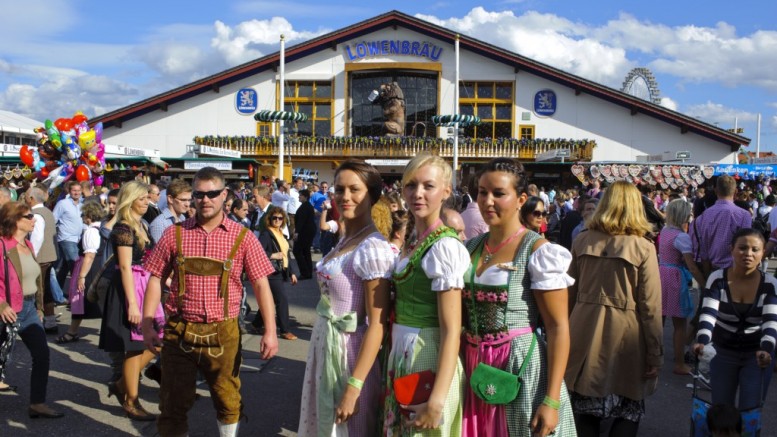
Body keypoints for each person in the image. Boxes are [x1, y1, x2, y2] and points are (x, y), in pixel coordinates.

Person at [142, 167, 278, 437]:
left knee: (227, 398)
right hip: (179, 329)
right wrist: (147, 323)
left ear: (224, 195)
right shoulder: (174, 234)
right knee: (172, 402)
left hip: (223, 330)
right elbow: (155, 278)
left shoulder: (243, 237)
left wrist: (270, 331)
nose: (205, 200)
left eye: (212, 194)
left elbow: (262, 284)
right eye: (199, 194)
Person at [461, 158, 575, 436]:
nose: (488, 201)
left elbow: (558, 327)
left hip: (519, 365)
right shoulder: (470, 247)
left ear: (520, 199)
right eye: (482, 192)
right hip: (473, 362)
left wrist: (551, 400)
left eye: (498, 193)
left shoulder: (538, 250)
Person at [298, 160, 395, 436]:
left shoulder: (372, 247)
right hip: (324, 347)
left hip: (349, 355)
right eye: (340, 189)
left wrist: (354, 386)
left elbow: (377, 323)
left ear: (373, 195)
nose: (345, 196)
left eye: (356, 189)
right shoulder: (345, 238)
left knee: (347, 429)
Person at [565, 181, 663, 437]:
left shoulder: (582, 240)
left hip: (583, 330)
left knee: (584, 409)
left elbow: (568, 296)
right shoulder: (644, 247)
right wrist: (655, 354)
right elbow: (651, 306)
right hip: (627, 337)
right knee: (627, 408)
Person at [382, 154, 468, 436]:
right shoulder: (414, 241)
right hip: (404, 350)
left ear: (446, 191)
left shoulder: (444, 247)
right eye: (411, 185)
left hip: (427, 352)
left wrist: (437, 399)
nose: (417, 194)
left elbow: (451, 329)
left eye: (428, 186)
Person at [98, 181, 163, 421]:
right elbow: (124, 267)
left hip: (144, 286)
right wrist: (133, 304)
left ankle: (121, 384)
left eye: (148, 198)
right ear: (130, 200)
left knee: (155, 341)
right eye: (142, 198)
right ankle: (130, 401)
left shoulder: (141, 224)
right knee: (135, 348)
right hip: (129, 289)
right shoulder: (123, 228)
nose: (147, 202)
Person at [693, 228, 777, 411]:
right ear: (731, 249)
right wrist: (702, 342)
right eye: (742, 248)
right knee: (721, 411)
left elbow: (771, 322)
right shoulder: (717, 279)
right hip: (722, 352)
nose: (748, 253)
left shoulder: (770, 284)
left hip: (757, 355)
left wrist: (766, 349)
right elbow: (708, 315)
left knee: (750, 413)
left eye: (755, 249)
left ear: (763, 253)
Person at [0, 202, 64, 418]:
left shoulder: (28, 245)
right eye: (29, 216)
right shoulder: (2, 246)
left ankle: (37, 403)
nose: (34, 219)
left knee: (42, 354)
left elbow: (36, 279)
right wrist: (1, 304)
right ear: (15, 220)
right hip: (7, 309)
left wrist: (38, 307)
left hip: (27, 309)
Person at [658, 199, 707, 375]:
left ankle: (654, 357)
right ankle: (679, 363)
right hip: (675, 277)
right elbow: (691, 266)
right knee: (680, 323)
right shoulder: (682, 237)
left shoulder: (665, 232)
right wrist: (704, 284)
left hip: (661, 274)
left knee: (659, 321)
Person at [57, 201, 105, 344]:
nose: (82, 217)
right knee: (97, 300)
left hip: (88, 268)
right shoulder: (103, 228)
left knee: (80, 299)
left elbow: (89, 255)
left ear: (89, 216)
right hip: (97, 267)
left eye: (83, 214)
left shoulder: (91, 231)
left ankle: (72, 332)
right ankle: (73, 331)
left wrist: (81, 276)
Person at [692, 175, 752, 281]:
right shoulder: (744, 215)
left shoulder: (702, 218)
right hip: (736, 271)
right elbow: (746, 246)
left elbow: (702, 251)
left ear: (715, 191)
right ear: (736, 191)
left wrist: (707, 277)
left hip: (712, 270)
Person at [251, 206, 299, 339]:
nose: (277, 220)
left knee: (270, 299)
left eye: (280, 218)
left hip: (281, 271)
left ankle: (256, 324)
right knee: (282, 300)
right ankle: (284, 330)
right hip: (271, 272)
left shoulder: (281, 234)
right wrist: (272, 255)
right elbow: (258, 251)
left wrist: (292, 272)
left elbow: (286, 255)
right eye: (274, 218)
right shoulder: (267, 234)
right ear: (269, 219)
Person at [25, 188, 60, 334]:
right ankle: (50, 321)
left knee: (39, 290)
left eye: (27, 196)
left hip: (41, 258)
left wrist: (32, 256)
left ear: (32, 198)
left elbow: (37, 239)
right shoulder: (47, 212)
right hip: (49, 256)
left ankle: (39, 322)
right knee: (45, 290)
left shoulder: (37, 215)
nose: (26, 199)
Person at [53, 181, 83, 290]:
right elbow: (54, 219)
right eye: (74, 190)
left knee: (63, 268)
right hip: (66, 239)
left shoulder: (81, 205)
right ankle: (76, 295)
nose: (76, 193)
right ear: (70, 191)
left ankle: (57, 294)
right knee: (75, 266)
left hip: (78, 239)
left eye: (78, 190)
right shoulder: (63, 204)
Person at [149, 179, 192, 244]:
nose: (187, 204)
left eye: (189, 200)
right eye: (183, 200)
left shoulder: (182, 218)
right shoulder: (159, 224)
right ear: (170, 199)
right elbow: (158, 252)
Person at [293, 189, 315, 279]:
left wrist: (296, 233)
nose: (299, 197)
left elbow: (301, 221)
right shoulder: (305, 206)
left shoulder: (306, 207)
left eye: (300, 195)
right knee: (306, 252)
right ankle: (308, 273)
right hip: (306, 232)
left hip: (304, 233)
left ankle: (305, 272)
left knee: (297, 251)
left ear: (305, 197)